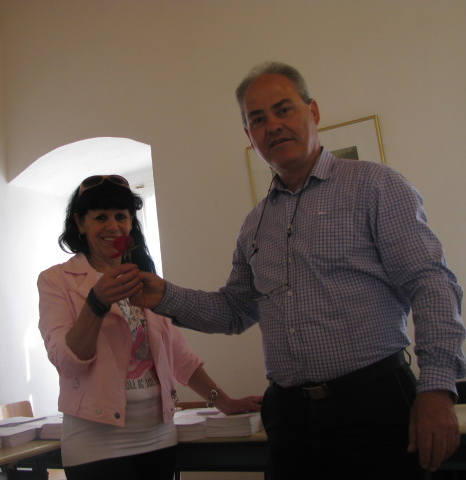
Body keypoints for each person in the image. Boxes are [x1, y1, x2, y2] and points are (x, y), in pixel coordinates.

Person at [130, 62, 466, 480]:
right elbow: (235, 310)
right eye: (258, 119)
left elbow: (431, 284)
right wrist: (164, 296)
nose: (272, 125)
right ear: (249, 136)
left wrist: (436, 388)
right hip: (290, 418)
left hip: (373, 406)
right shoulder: (255, 224)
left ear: (314, 111)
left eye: (283, 109)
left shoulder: (376, 186)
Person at [37, 174, 262, 480]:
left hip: (158, 437)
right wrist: (96, 304)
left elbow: (180, 356)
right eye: (100, 217)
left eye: (121, 216)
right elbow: (67, 361)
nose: (113, 226)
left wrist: (225, 402)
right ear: (80, 223)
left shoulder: (143, 278)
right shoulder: (56, 280)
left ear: (131, 222)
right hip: (96, 443)